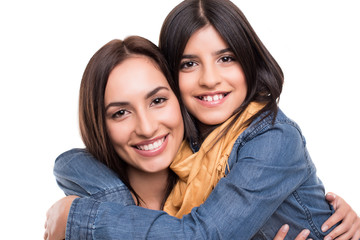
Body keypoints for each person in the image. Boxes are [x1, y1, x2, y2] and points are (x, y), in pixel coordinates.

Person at [45, 0, 360, 239]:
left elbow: (201, 235)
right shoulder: (184, 151)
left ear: (250, 62)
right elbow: (72, 162)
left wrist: (77, 217)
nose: (210, 79)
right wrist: (115, 202)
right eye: (189, 64)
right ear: (173, 77)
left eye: (226, 58)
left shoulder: (273, 139)